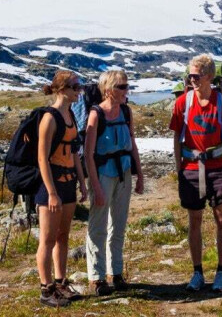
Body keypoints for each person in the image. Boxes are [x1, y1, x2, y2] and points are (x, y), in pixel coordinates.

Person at [170, 54, 222, 294]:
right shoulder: (183, 103)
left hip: (217, 168)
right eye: (190, 75)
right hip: (190, 169)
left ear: (209, 76)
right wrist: (179, 167)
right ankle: (197, 272)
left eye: (196, 75)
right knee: (194, 220)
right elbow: (177, 137)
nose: (192, 79)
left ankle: (221, 272)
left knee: (221, 219)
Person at [84, 70, 144, 295]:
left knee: (118, 224)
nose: (126, 90)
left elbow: (133, 144)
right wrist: (96, 188)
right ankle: (97, 277)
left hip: (124, 173)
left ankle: (115, 273)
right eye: (121, 86)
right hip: (102, 175)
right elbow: (88, 155)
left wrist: (140, 175)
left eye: (126, 86)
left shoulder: (126, 112)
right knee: (98, 226)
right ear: (108, 89)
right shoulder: (96, 114)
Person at [36, 70, 88, 308]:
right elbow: (42, 158)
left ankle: (60, 283)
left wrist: (82, 182)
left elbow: (75, 152)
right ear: (61, 90)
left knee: (63, 236)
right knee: (47, 239)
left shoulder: (71, 115)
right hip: (52, 184)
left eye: (79, 87)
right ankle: (46, 289)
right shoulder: (50, 117)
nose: (79, 91)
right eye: (75, 87)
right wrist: (52, 192)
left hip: (69, 182)